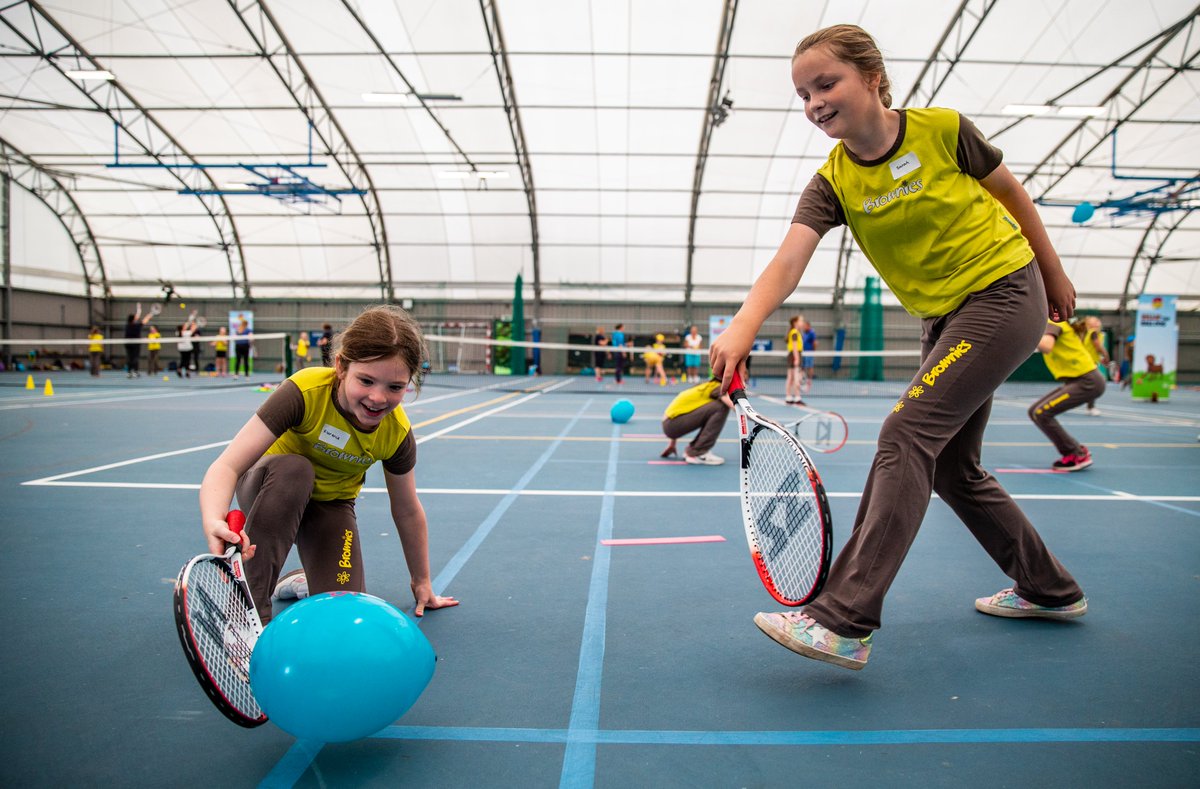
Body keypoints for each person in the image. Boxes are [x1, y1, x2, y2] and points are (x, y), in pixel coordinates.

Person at [709, 25, 1086, 670]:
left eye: (826, 83)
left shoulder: (942, 130)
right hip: (942, 320)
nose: (814, 102)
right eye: (803, 94)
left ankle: (844, 619)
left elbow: (1012, 195)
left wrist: (1053, 274)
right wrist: (745, 322)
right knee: (950, 467)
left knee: (905, 435)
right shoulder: (831, 182)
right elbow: (788, 260)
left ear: (873, 79)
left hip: (1002, 292)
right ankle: (1048, 588)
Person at [196, 305, 459, 623]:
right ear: (341, 366)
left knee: (342, 614)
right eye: (366, 380)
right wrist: (214, 520)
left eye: (395, 387)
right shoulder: (304, 393)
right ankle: (247, 608)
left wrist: (422, 581)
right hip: (270, 487)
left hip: (331, 506)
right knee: (296, 470)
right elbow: (227, 466)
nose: (378, 398)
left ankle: (306, 578)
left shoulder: (397, 434)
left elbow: (406, 509)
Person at [1029, 319, 1104, 471]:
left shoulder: (1053, 322)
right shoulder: (1050, 324)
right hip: (1077, 380)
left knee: (1041, 413)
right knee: (1034, 411)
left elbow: (1046, 346)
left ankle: (1076, 453)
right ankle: (1075, 450)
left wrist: (1027, 332)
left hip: (1087, 380)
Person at [659, 377, 734, 465]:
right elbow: (733, 406)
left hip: (669, 423)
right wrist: (752, 415)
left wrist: (672, 444)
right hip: (671, 424)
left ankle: (694, 450)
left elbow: (679, 409)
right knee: (721, 406)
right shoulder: (717, 388)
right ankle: (697, 452)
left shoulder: (706, 385)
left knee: (715, 407)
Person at [1081, 315, 1110, 416]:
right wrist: (1106, 355)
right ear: (1089, 324)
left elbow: (1093, 350)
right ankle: (1090, 408)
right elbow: (1097, 346)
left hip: (1087, 361)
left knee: (1075, 384)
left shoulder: (1091, 333)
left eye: (1098, 320)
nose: (1097, 322)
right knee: (1095, 385)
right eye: (1094, 321)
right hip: (1088, 363)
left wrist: (1101, 359)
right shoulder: (1093, 333)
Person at [124, 304, 152, 378]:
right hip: (135, 344)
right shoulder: (136, 326)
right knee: (135, 358)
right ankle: (135, 372)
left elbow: (137, 317)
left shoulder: (128, 325)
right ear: (133, 319)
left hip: (128, 344)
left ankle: (130, 372)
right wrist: (150, 314)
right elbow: (144, 321)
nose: (136, 318)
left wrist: (139, 309)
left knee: (130, 358)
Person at [785, 316, 804, 404]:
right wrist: (796, 358)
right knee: (795, 377)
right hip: (794, 354)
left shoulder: (795, 332)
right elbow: (795, 346)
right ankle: (796, 397)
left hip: (793, 354)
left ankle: (790, 397)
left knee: (792, 377)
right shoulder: (794, 333)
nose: (802, 322)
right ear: (795, 322)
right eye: (801, 321)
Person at [800, 317, 818, 393]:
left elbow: (815, 343)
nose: (804, 327)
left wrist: (813, 351)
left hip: (809, 353)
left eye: (805, 326)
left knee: (810, 366)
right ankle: (803, 380)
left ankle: (809, 380)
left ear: (808, 326)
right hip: (803, 352)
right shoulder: (804, 333)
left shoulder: (812, 333)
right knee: (803, 367)